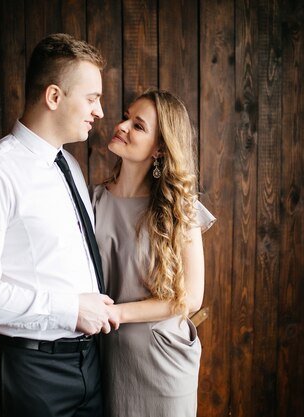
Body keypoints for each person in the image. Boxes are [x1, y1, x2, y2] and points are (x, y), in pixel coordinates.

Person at [0, 33, 116, 417]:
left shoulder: (68, 166)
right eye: (92, 98)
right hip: (29, 372)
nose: (100, 111)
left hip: (88, 364)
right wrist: (68, 310)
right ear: (54, 97)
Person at [91, 88, 215, 417]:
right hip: (108, 358)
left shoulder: (179, 208)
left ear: (159, 148)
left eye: (138, 125)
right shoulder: (94, 201)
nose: (123, 126)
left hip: (162, 361)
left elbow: (190, 299)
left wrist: (118, 313)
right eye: (126, 117)